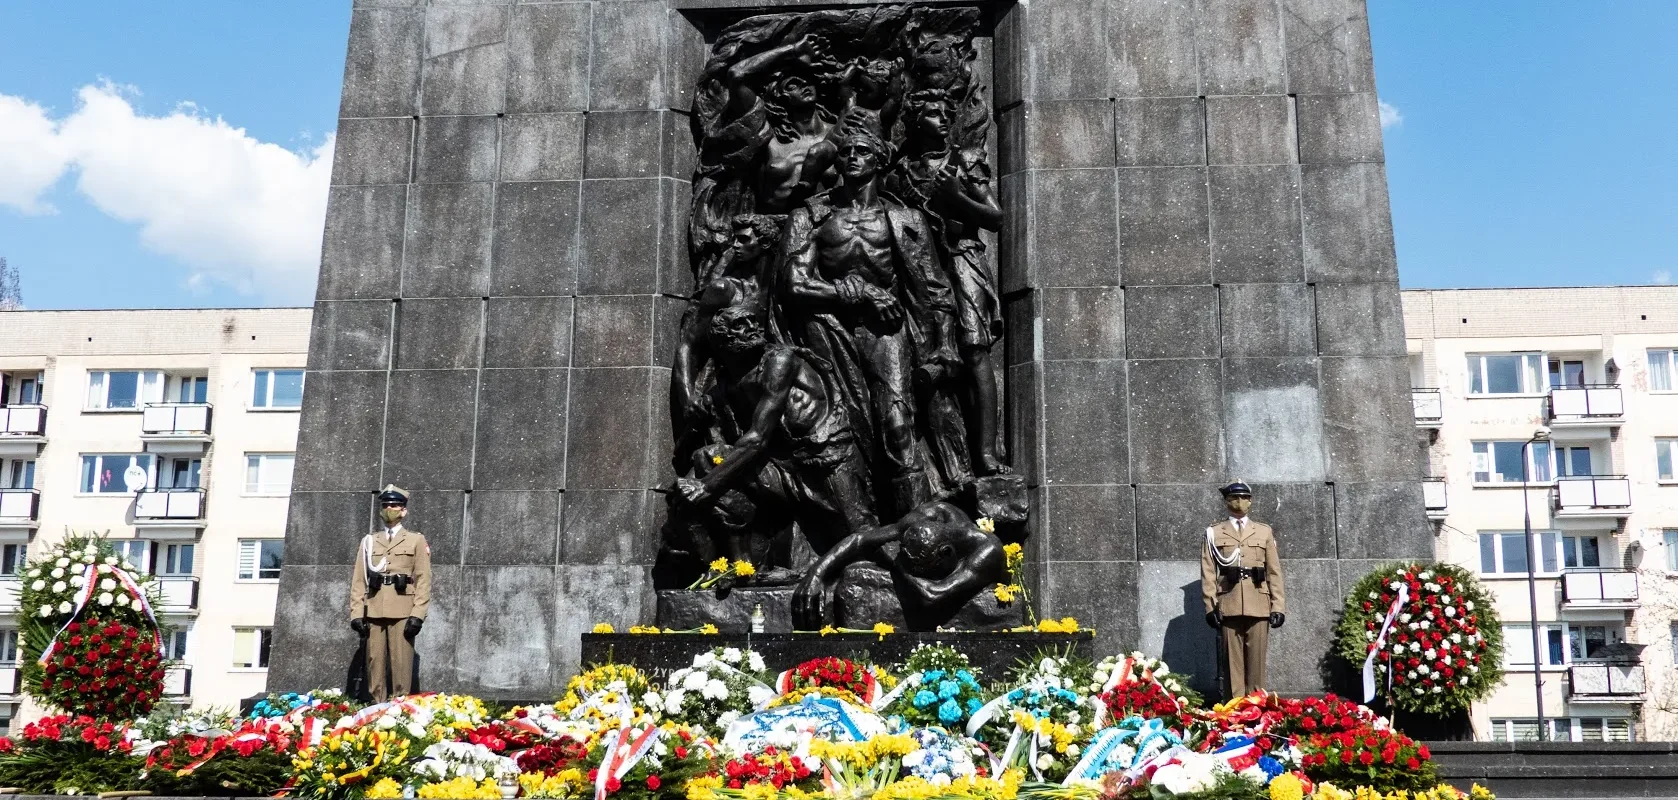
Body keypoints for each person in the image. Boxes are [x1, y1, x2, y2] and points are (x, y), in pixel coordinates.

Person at [781, 125, 959, 515]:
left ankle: (918, 525)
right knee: (836, 431)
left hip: (886, 332)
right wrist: (859, 292)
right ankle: (860, 526)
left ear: (879, 161)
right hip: (828, 331)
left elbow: (935, 287)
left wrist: (945, 345)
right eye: (845, 152)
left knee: (898, 427)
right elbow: (793, 283)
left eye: (862, 151)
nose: (851, 157)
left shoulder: (906, 218)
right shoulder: (811, 215)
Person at [672, 306, 877, 562]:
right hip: (781, 466)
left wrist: (705, 486)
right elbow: (723, 442)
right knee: (707, 458)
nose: (753, 328)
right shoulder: (726, 385)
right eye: (740, 325)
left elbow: (757, 438)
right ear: (722, 341)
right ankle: (740, 567)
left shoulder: (779, 361)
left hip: (825, 459)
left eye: (753, 321)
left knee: (861, 535)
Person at [791, 500, 1004, 630]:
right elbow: (860, 540)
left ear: (946, 553)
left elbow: (933, 595)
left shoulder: (988, 551)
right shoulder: (930, 515)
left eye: (920, 570)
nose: (916, 573)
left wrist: (897, 564)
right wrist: (816, 574)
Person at [1200, 481, 1285, 698]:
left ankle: (1256, 708)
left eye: (1244, 498)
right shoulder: (1214, 533)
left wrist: (1278, 606)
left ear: (1251, 501)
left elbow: (1274, 571)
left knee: (1257, 665)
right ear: (1226, 501)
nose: (1240, 502)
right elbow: (1208, 572)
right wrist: (1210, 607)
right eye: (1234, 498)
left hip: (1259, 603)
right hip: (1229, 603)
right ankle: (1234, 709)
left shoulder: (1264, 531)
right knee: (1232, 665)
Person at [349, 485, 432, 702]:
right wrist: (356, 613)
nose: (389, 509)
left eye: (394, 505)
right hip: (374, 609)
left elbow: (423, 580)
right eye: (385, 505)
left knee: (401, 664)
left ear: (404, 511)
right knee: (374, 663)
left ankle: (400, 707)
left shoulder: (415, 540)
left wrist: (418, 614)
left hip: (403, 610)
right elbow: (359, 580)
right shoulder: (369, 541)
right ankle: (376, 707)